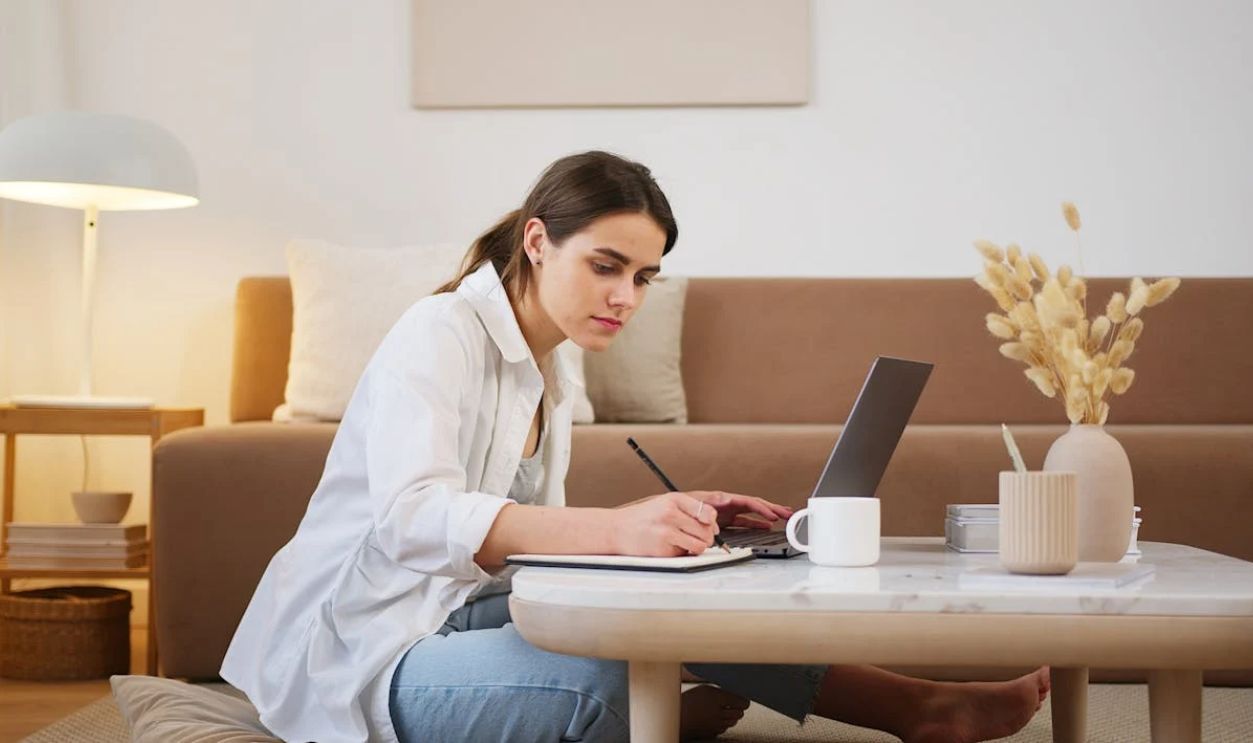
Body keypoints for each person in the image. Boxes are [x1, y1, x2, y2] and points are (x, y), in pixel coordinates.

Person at [221, 151, 1050, 743]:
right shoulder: (439, 333)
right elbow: (413, 518)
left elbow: (522, 542)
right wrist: (618, 532)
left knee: (683, 595)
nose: (626, 296)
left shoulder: (553, 363)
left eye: (643, 277)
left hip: (445, 609)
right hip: (358, 651)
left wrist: (659, 526)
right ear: (539, 241)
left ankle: (915, 707)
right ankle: (659, 716)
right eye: (607, 266)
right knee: (610, 680)